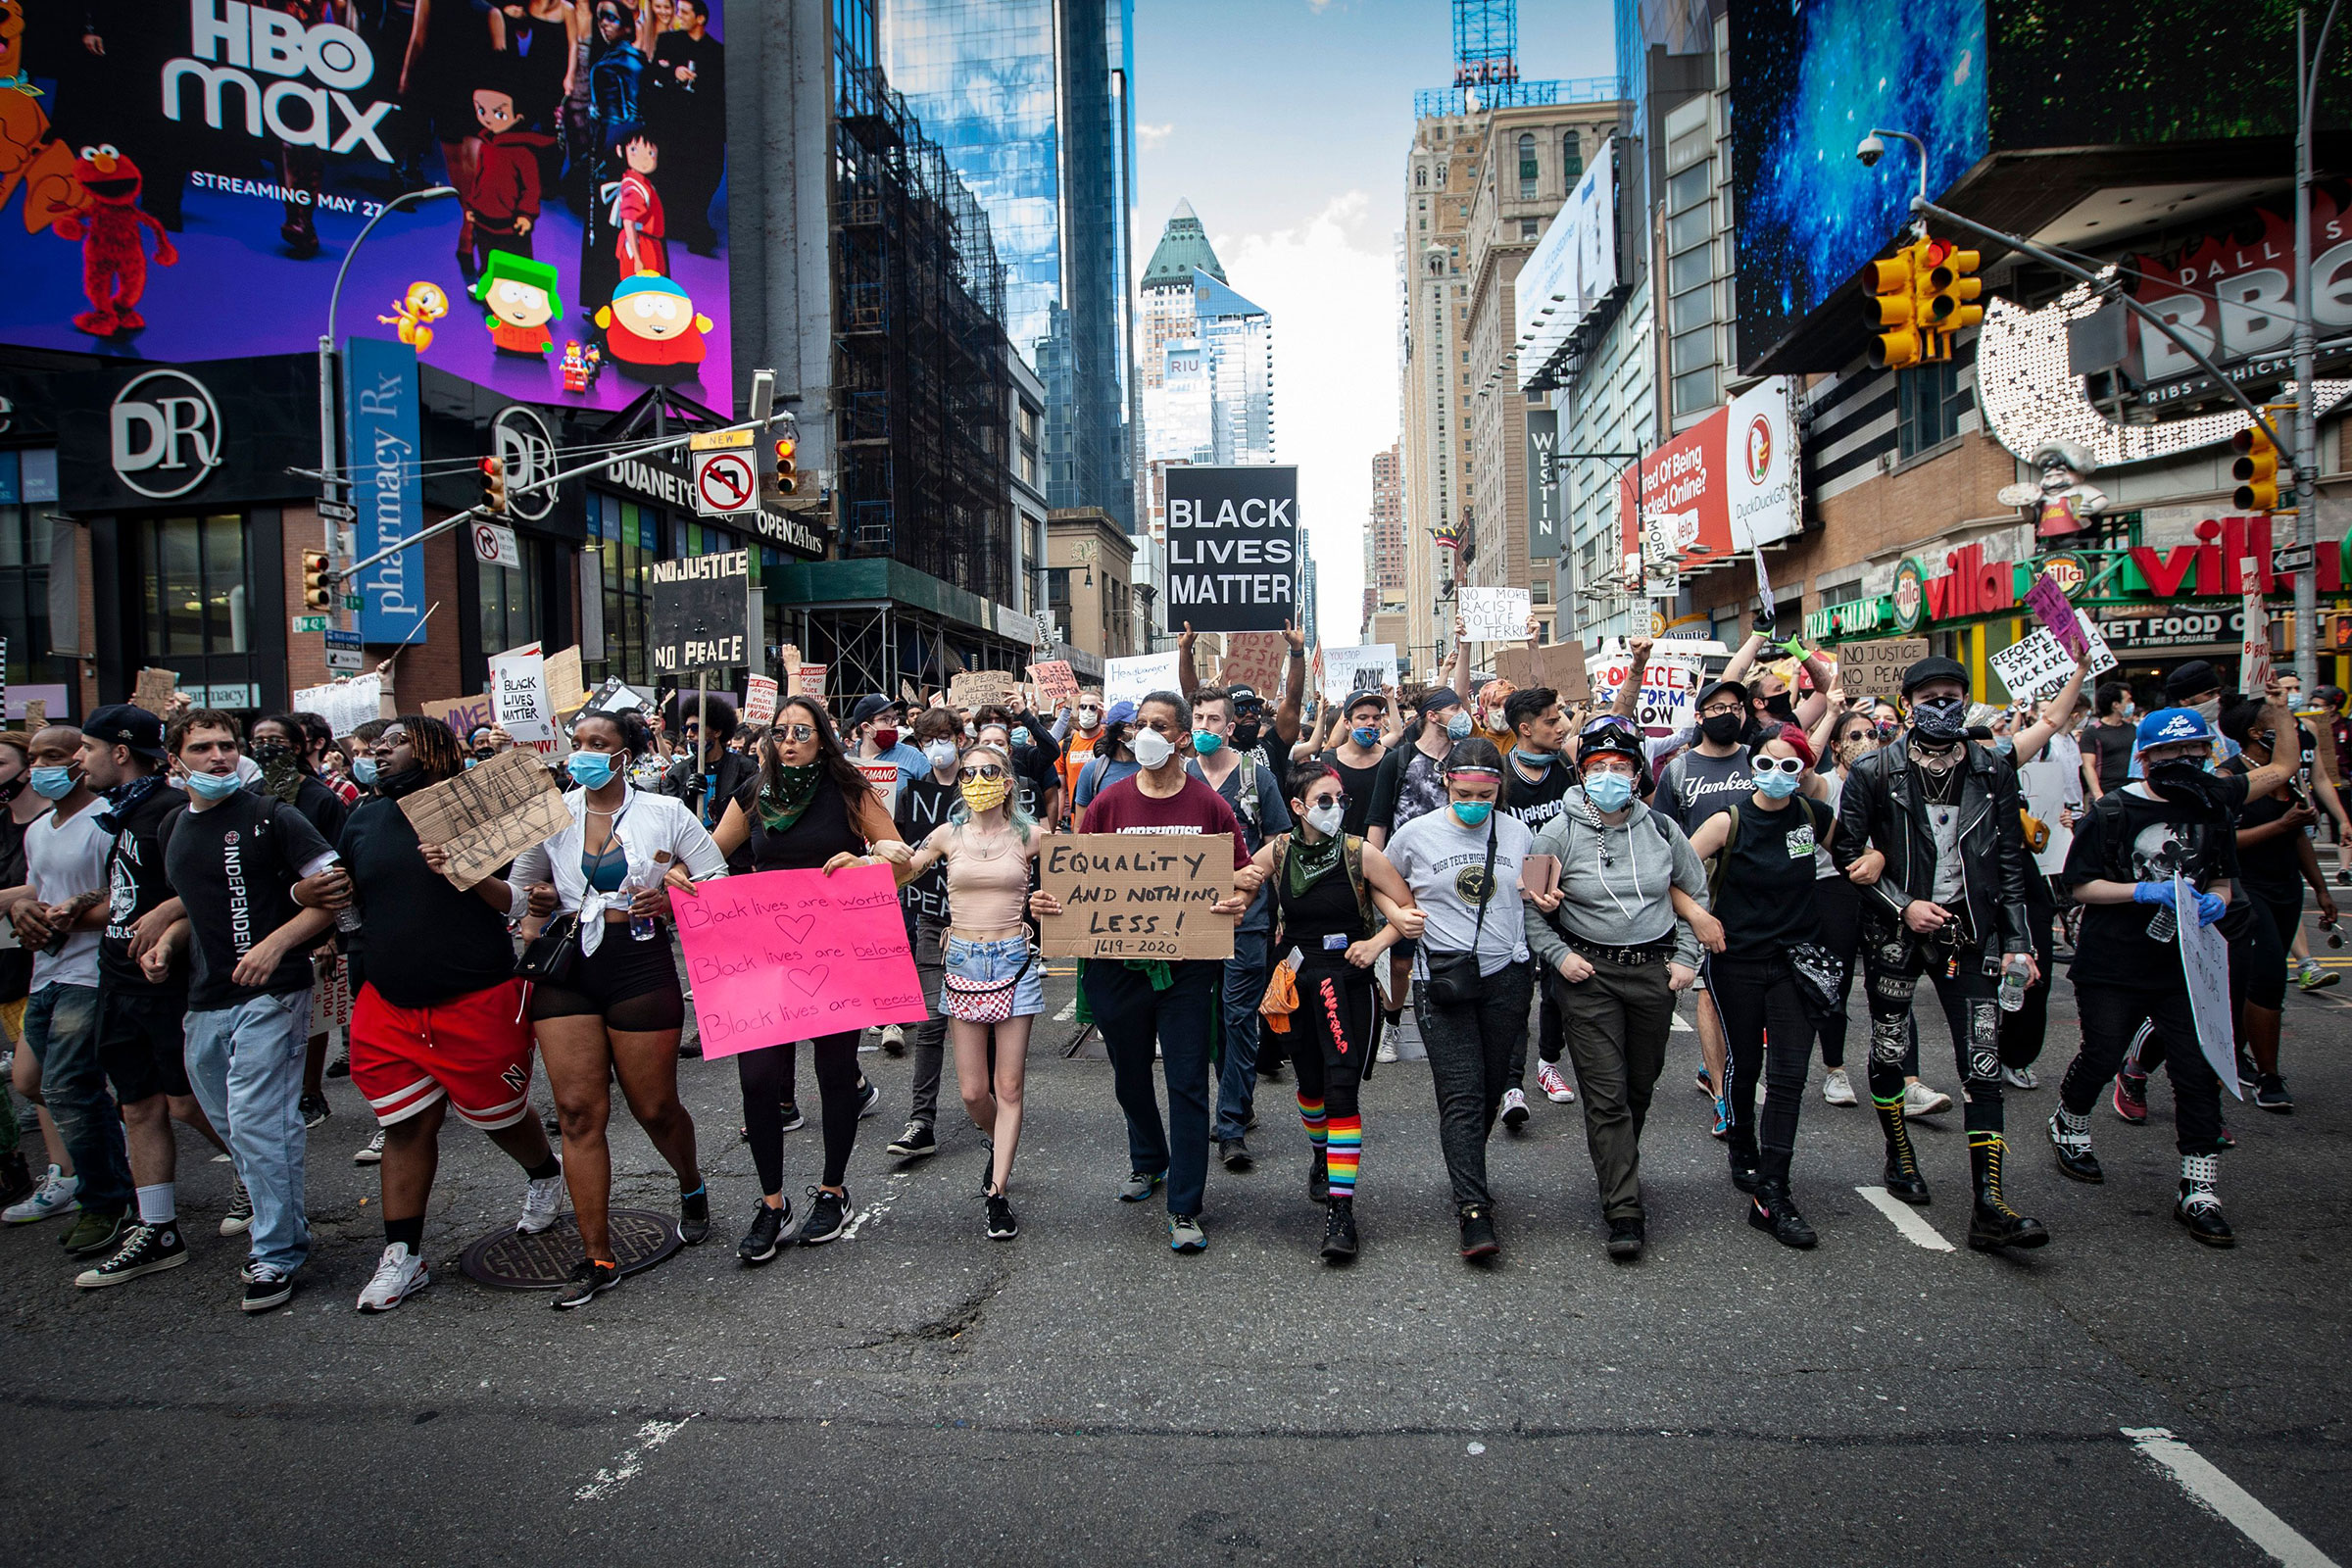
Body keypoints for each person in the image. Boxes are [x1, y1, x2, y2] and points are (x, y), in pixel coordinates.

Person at [303, 716, 568, 1312]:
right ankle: (403, 1255)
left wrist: (465, 871)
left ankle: (543, 1171)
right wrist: (303, 906)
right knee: (406, 1126)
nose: (379, 752)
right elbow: (340, 898)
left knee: (498, 1115)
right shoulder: (364, 818)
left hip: (474, 996)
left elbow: (520, 900)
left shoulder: (474, 807)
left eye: (396, 742)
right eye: (376, 746)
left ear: (432, 749)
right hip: (391, 1002)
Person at [1027, 691, 1258, 1253]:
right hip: (1116, 969)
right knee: (1129, 1076)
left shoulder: (1209, 807)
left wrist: (1235, 902)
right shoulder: (1108, 802)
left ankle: (1185, 1204)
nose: (1146, 733)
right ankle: (1149, 1159)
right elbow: (1078, 878)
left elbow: (1244, 876)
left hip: (1186, 972)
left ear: (1182, 737)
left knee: (1185, 1081)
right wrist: (1049, 904)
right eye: (1139, 725)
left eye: (1159, 725)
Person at [1832, 658, 2048, 1254]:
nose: (1942, 706)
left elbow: (2008, 862)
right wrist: (1902, 905)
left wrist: (2018, 944)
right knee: (1891, 1047)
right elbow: (1847, 853)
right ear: (1907, 703)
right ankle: (1899, 1154)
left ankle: (1990, 1203)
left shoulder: (1991, 767)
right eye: (1929, 696)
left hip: (1969, 935)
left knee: (1982, 1062)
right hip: (1895, 935)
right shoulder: (1875, 770)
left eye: (1953, 696)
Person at [509, 709, 722, 1307]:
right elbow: (523, 893)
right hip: (568, 969)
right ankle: (597, 1254)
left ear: (624, 755)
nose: (583, 753)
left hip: (638, 964)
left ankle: (690, 1182)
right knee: (577, 1112)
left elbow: (715, 877)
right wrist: (537, 905)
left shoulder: (664, 812)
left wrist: (672, 892)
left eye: (596, 744)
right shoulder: (549, 815)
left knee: (655, 1107)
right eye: (577, 743)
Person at [147, 710, 342, 1310]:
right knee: (230, 1122)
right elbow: (199, 906)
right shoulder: (173, 827)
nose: (219, 757)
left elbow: (335, 892)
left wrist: (275, 944)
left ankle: (276, 1253)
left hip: (275, 989)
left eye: (226, 746)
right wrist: (166, 942)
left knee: (260, 1122)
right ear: (174, 759)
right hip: (206, 998)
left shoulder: (271, 816)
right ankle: (280, 1220)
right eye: (202, 747)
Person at [707, 697, 910, 1259]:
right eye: (779, 732)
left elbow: (902, 859)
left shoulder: (849, 793)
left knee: (835, 1071)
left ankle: (833, 1190)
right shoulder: (753, 794)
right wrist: (677, 872)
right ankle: (772, 1203)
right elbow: (708, 857)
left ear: (823, 737)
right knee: (758, 1079)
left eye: (801, 731)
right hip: (765, 952)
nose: (789, 740)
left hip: (835, 951)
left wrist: (867, 862)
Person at [2047, 708, 2241, 1246]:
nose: (2185, 762)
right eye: (2171, 753)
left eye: (2195, 751)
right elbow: (2081, 886)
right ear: (2146, 757)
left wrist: (2214, 905)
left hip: (2184, 964)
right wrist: (2144, 891)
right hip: (2114, 961)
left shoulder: (2213, 809)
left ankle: (2198, 1185)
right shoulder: (2112, 811)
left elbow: (2223, 880)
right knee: (2104, 1052)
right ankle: (2071, 1119)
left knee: (2195, 1068)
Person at [1522, 721, 1706, 1261]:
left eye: (1620, 767)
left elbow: (1695, 894)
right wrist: (1560, 958)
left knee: (1638, 1088)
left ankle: (1617, 1164)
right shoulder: (1555, 834)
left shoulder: (1664, 830)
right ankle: (1624, 1208)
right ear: (1581, 775)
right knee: (1605, 1097)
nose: (1608, 777)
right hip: (1589, 977)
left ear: (1638, 774)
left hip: (1654, 974)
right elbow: (1531, 914)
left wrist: (1686, 959)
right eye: (1597, 768)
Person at [67, 707, 234, 1288]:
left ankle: (256, 1177)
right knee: (135, 1104)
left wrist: (167, 927)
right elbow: (131, 891)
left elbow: (209, 887)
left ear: (119, 751)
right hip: (116, 978)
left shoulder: (168, 812)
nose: (76, 761)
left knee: (186, 1101)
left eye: (86, 748)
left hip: (163, 984)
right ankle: (157, 1228)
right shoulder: (123, 814)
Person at [1243, 761, 1419, 1260]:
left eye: (1339, 798)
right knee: (1310, 1087)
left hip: (1346, 981)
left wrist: (1377, 943)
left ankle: (1341, 1212)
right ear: (1297, 808)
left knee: (1342, 1092)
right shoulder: (1278, 850)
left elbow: (1406, 911)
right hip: (1294, 981)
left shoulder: (1362, 853)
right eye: (1324, 800)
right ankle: (1321, 1155)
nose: (1336, 807)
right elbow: (1239, 883)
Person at [1385, 738, 1537, 1258]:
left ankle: (1467, 1160)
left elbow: (1535, 891)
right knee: (1463, 1094)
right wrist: (1398, 915)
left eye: (1486, 796)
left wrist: (1546, 897)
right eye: (1464, 792)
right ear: (1446, 783)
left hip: (1507, 976)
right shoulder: (1415, 835)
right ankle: (1473, 1209)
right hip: (1442, 978)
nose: (1474, 804)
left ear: (1499, 791)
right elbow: (1378, 880)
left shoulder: (1519, 833)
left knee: (1493, 1087)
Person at [1686, 725, 1837, 1249]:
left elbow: (1852, 862)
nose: (1777, 774)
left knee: (1790, 1075)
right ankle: (1743, 1148)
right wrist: (1699, 919)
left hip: (1796, 963)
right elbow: (1673, 872)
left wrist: (1878, 858)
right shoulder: (1728, 821)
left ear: (1805, 771)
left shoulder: (1815, 819)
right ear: (1753, 766)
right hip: (1737, 961)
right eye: (1767, 762)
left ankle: (1773, 1192)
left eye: (1790, 765)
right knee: (1744, 1065)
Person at [891, 742, 1045, 1240]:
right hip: (960, 963)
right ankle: (997, 1140)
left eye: (990, 771)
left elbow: (1083, 872)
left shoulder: (1032, 837)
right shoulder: (945, 835)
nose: (979, 779)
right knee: (973, 1092)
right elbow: (900, 874)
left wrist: (1049, 901)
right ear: (961, 784)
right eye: (971, 772)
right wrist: (868, 857)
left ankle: (997, 1191)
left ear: (1008, 783)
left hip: (1014, 961)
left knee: (1009, 1087)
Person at [1, 722, 131, 1263]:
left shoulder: (105, 822)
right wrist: (20, 907)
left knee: (68, 1086)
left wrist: (72, 911)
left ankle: (107, 1200)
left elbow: (123, 893)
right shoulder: (38, 830)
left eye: (52, 756)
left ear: (82, 759)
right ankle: (110, 1153)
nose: (40, 768)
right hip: (46, 973)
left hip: (91, 974)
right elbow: (40, 885)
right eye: (33, 757)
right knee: (31, 1081)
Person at [1188, 685, 1294, 1173]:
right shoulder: (1179, 777)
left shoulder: (1257, 777)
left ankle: (1230, 1124)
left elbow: (1279, 841)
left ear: (1230, 728)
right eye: (1198, 718)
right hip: (1187, 922)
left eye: (1213, 720)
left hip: (1245, 920)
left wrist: (1255, 890)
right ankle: (1240, 1100)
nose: (1203, 727)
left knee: (1238, 1018)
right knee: (1208, 1021)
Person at [2215, 697, 2334, 1111]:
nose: (2289, 727)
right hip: (2247, 888)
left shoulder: (2288, 777)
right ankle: (2269, 1076)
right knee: (2268, 977)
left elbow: (2298, 834)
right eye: (2278, 720)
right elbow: (2223, 840)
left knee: (2257, 982)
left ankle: (2235, 1053)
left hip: (2286, 888)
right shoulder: (2229, 777)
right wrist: (2280, 824)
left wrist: (2319, 888)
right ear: (2254, 733)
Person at [252, 712, 351, 1132]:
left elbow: (339, 866)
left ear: (296, 746)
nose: (265, 747)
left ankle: (310, 1092)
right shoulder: (248, 796)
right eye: (257, 740)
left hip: (314, 923)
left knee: (313, 1015)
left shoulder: (320, 798)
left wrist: (328, 933)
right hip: (263, 919)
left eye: (275, 740)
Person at [884, 708, 965, 1161]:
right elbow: (905, 857)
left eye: (943, 736)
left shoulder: (979, 786)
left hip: (977, 923)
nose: (937, 746)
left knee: (981, 1025)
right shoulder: (911, 796)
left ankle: (991, 1107)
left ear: (958, 736)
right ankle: (922, 1119)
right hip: (932, 919)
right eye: (926, 739)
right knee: (932, 1021)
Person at [1496, 684, 1579, 1121]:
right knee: (1515, 990)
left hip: (1563, 897)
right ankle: (1511, 1085)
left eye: (1563, 715)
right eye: (1552, 720)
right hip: (1513, 900)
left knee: (1556, 988)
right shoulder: (1503, 776)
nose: (1563, 725)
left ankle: (1549, 1064)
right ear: (1525, 729)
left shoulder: (1567, 766)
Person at [1316, 690, 1393, 840]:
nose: (1371, 723)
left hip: (1384, 854)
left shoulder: (1392, 760)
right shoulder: (1328, 762)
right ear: (1346, 723)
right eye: (1362, 718)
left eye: (1376, 718)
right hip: (1340, 853)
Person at [1069, 701, 1142, 826]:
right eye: (1135, 726)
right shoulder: (1092, 770)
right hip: (1105, 844)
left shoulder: (1152, 768)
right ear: (1118, 734)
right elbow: (1080, 825)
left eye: (1143, 725)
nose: (1141, 732)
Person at [2081, 682, 2138, 800]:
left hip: (2130, 793)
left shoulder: (2132, 729)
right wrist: (2098, 794)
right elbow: (2088, 766)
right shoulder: (2092, 732)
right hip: (2106, 795)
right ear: (2115, 704)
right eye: (2127, 701)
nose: (2131, 704)